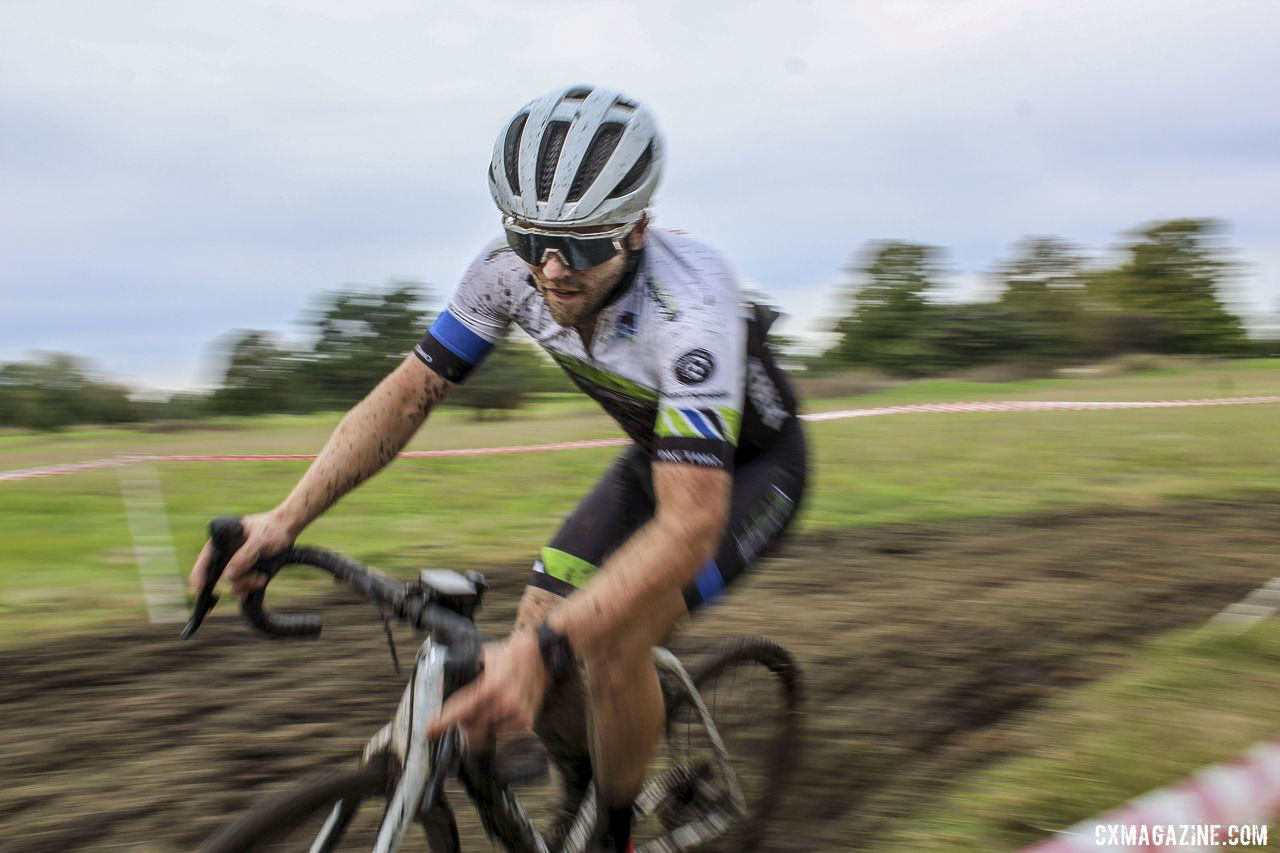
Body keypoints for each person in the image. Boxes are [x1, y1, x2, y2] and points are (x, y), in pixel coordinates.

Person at [189, 84, 807, 853]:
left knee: (611, 641)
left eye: (581, 245)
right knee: (534, 624)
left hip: (752, 472)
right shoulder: (505, 272)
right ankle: (587, 779)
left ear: (639, 228)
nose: (551, 270)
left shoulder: (692, 303)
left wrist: (548, 653)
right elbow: (412, 389)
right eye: (528, 238)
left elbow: (690, 523)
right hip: (657, 454)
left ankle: (612, 833)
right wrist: (285, 516)